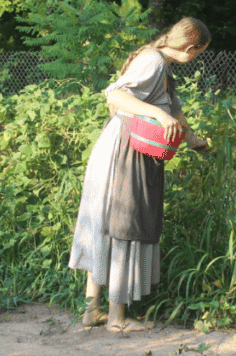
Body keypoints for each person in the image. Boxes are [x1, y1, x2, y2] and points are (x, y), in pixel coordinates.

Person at [68, 17, 211, 333]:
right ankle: (117, 320)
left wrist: (192, 139)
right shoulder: (153, 61)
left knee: (108, 223)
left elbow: (175, 111)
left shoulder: (161, 66)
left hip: (124, 147)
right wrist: (156, 114)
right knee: (124, 222)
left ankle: (92, 312)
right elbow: (115, 95)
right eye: (198, 53)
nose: (196, 57)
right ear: (190, 48)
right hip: (126, 150)